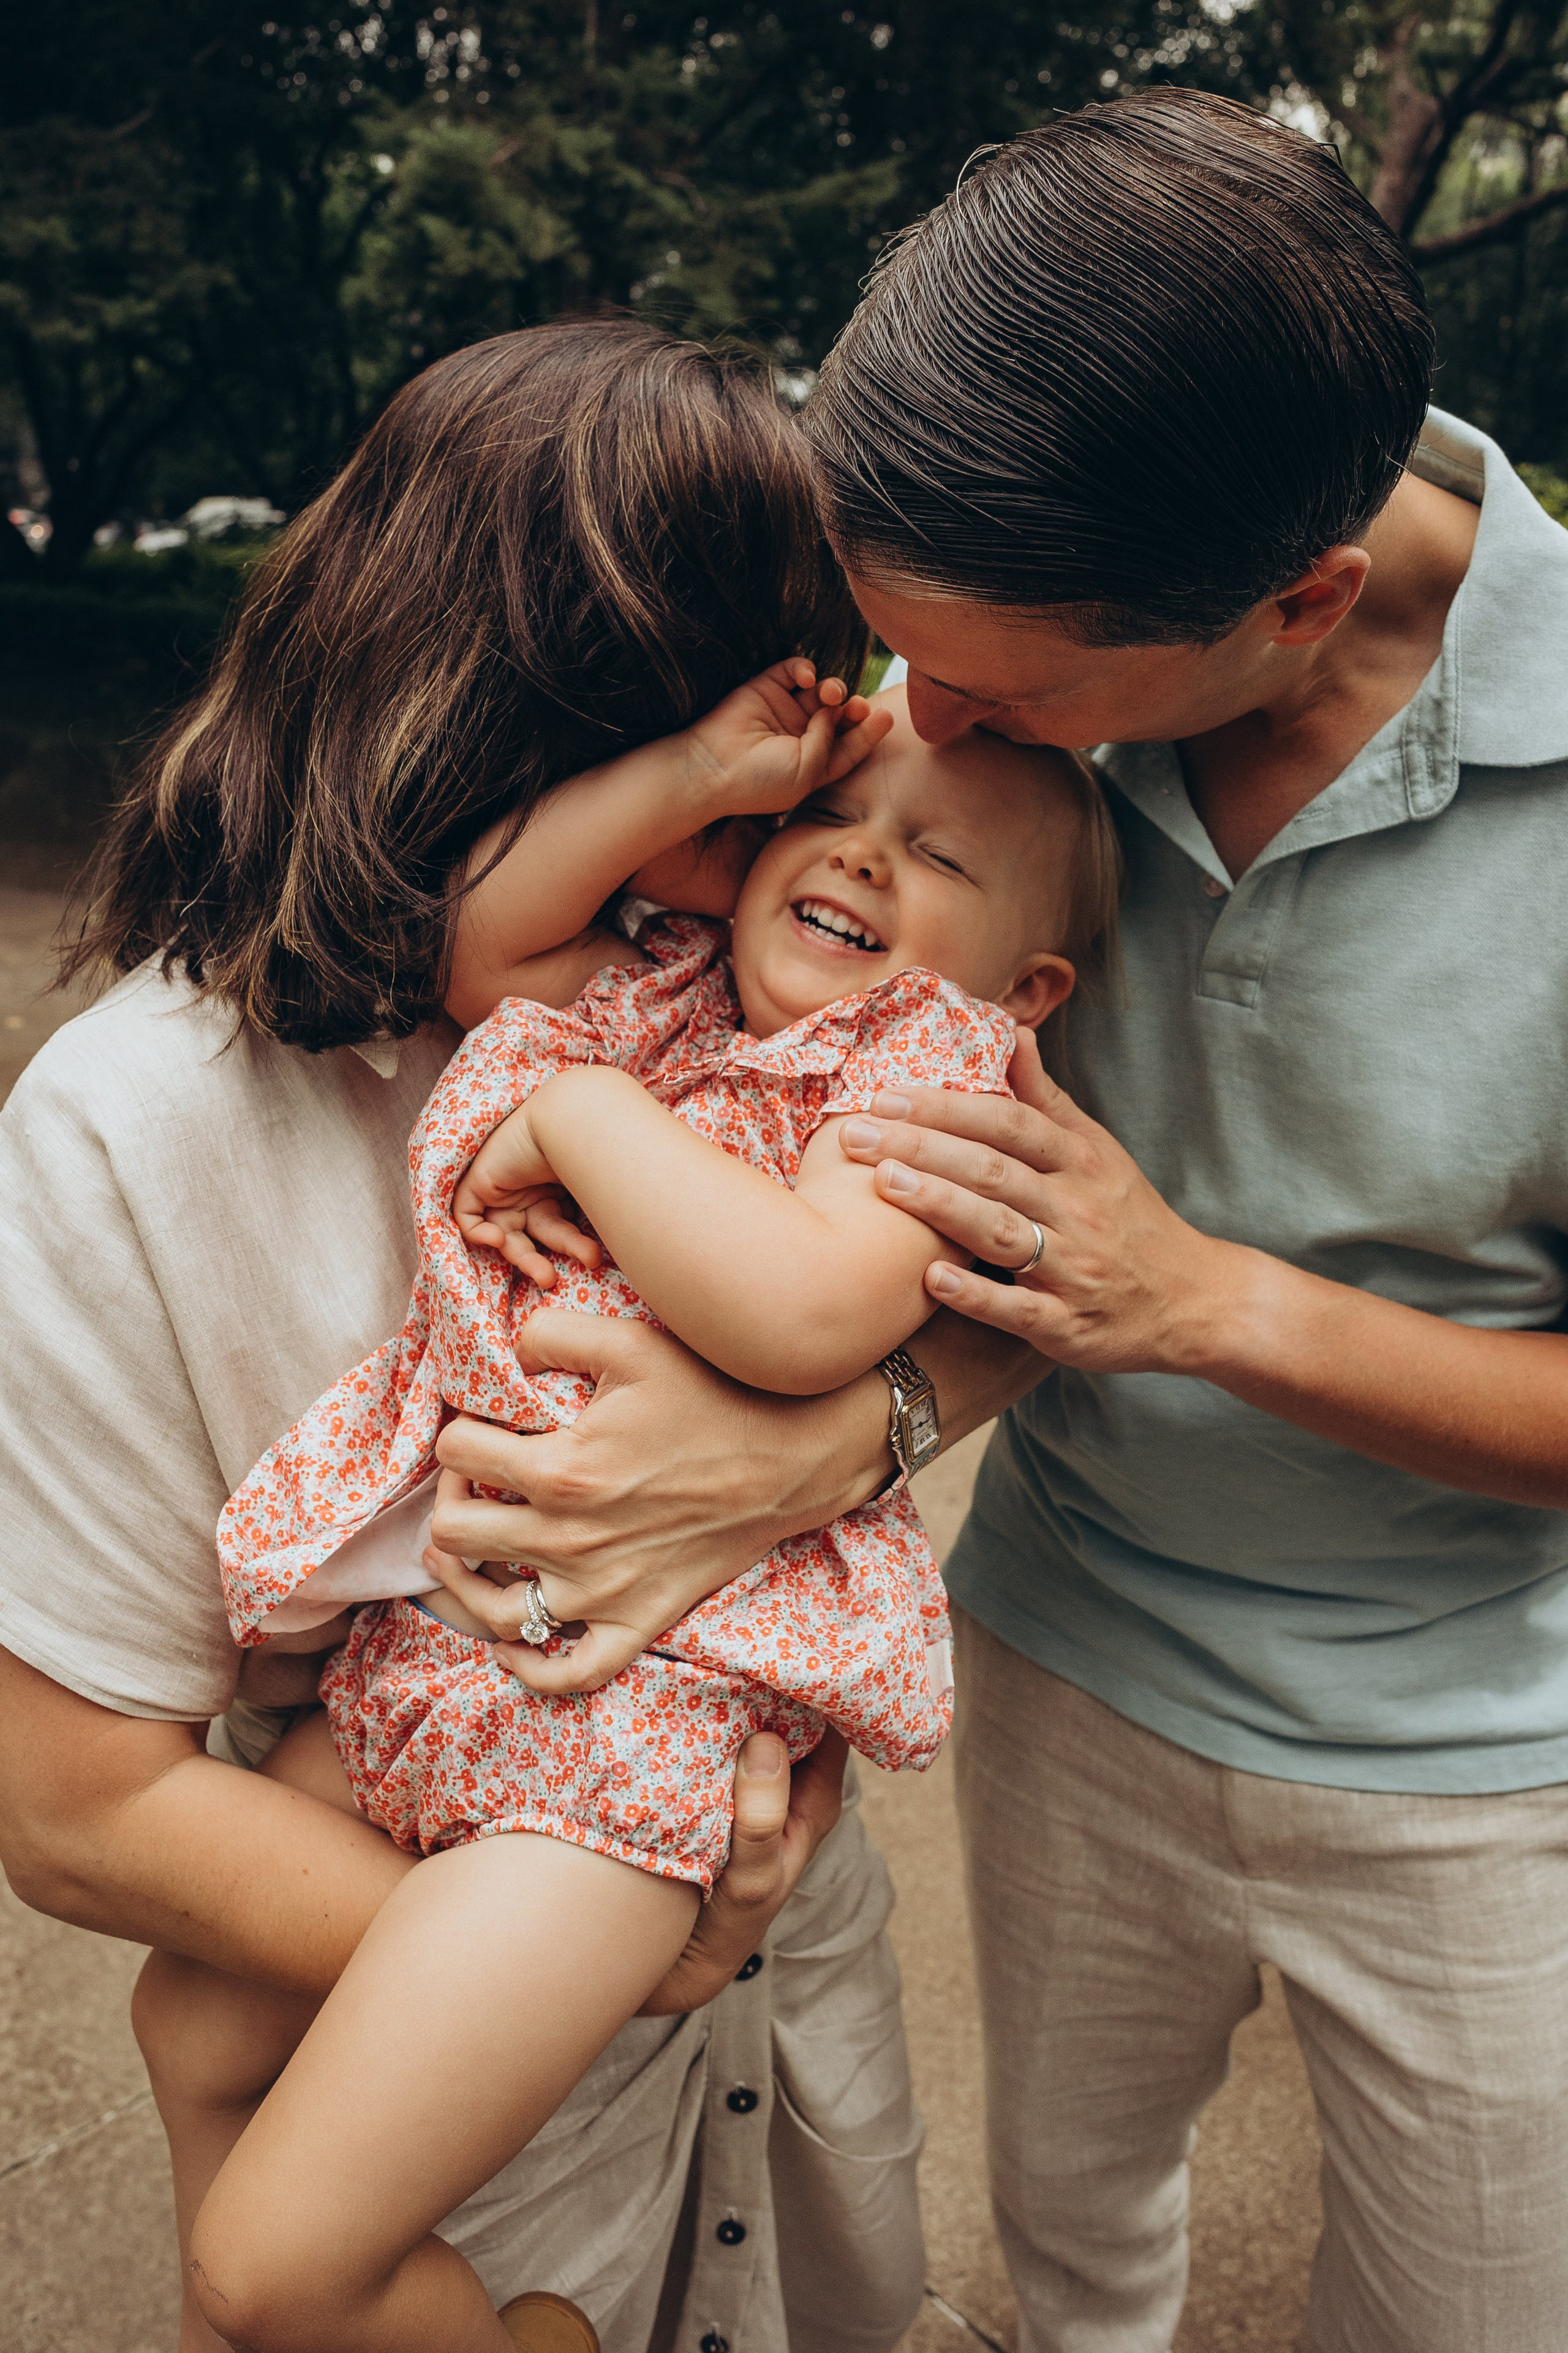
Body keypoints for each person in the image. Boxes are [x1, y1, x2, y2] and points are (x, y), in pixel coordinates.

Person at [0, 320, 927, 2353]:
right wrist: (617, 1933)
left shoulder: (718, 985)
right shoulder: (135, 1126)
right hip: (452, 2030)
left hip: (778, 1985)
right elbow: (75, 1804)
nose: (760, 846)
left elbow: (1013, 1252)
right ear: (509, 720)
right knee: (261, 2190)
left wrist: (845, 1434)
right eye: (704, 761)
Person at [796, 86, 1568, 2353]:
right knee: (1071, 2248)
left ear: (1300, 601)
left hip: (1481, 1760)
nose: (919, 730)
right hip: (1066, 1656)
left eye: (1005, 693)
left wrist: (1209, 1299)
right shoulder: (1048, 591)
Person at [134, 688, 1116, 2352]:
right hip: (430, 1654)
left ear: (1024, 987)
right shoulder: (668, 984)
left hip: (622, 1729)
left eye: (936, 853)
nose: (862, 857)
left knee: (267, 2268)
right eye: (830, 817)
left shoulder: (927, 1076)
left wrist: (583, 1118)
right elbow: (479, 936)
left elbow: (804, 1311)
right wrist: (711, 775)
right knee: (192, 2026)